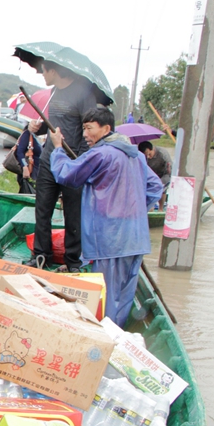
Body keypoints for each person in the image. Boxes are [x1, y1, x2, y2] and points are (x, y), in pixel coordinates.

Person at [48, 107, 162, 326]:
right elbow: (155, 187)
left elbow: (67, 174)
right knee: (124, 294)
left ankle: (105, 335)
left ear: (106, 128)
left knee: (106, 295)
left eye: (89, 128)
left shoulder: (101, 154)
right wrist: (134, 213)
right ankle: (118, 333)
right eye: (83, 129)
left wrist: (58, 149)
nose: (85, 134)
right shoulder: (137, 155)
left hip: (110, 238)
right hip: (136, 238)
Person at [25, 60, 98, 272]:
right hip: (49, 159)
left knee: (73, 214)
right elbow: (54, 126)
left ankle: (73, 260)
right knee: (42, 209)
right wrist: (37, 128)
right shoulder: (53, 92)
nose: (42, 75)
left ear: (54, 71)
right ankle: (41, 255)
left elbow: (89, 132)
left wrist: (80, 162)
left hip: (72, 162)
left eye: (44, 71)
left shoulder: (83, 93)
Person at [14, 129, 42, 194]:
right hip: (30, 171)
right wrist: (25, 167)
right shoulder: (27, 134)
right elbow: (19, 152)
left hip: (37, 171)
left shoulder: (36, 136)